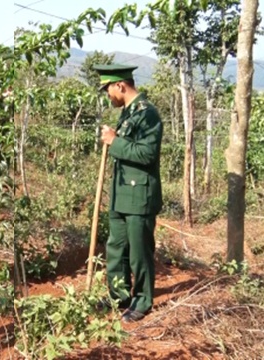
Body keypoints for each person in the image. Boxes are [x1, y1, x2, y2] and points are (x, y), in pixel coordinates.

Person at [94, 64, 163, 322]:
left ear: (120, 86)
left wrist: (115, 141)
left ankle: (142, 301)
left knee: (139, 253)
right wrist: (115, 138)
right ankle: (119, 296)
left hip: (139, 197)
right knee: (116, 248)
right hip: (121, 195)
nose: (108, 96)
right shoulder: (128, 113)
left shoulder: (148, 115)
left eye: (108, 90)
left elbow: (146, 154)